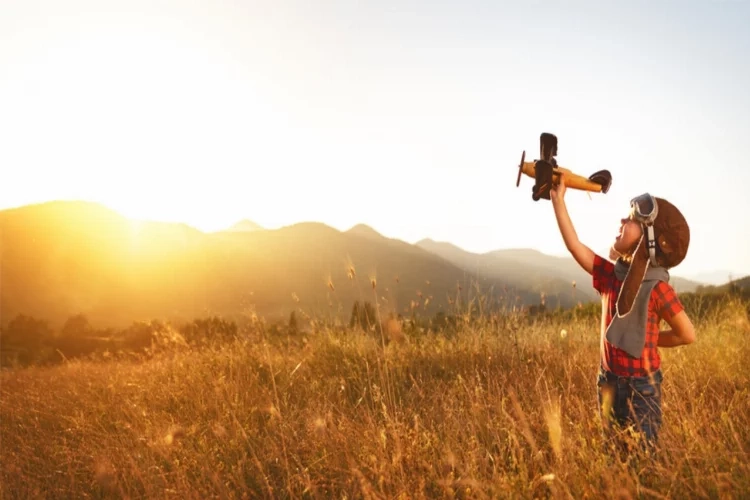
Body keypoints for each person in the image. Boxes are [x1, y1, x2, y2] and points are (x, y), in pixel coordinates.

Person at [550, 174, 695, 455]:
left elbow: (687, 334)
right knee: (612, 456)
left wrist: (650, 340)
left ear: (649, 241)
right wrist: (558, 201)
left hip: (643, 389)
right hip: (608, 382)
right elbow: (575, 246)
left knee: (642, 459)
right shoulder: (610, 276)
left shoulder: (658, 289)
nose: (621, 221)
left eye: (630, 221)